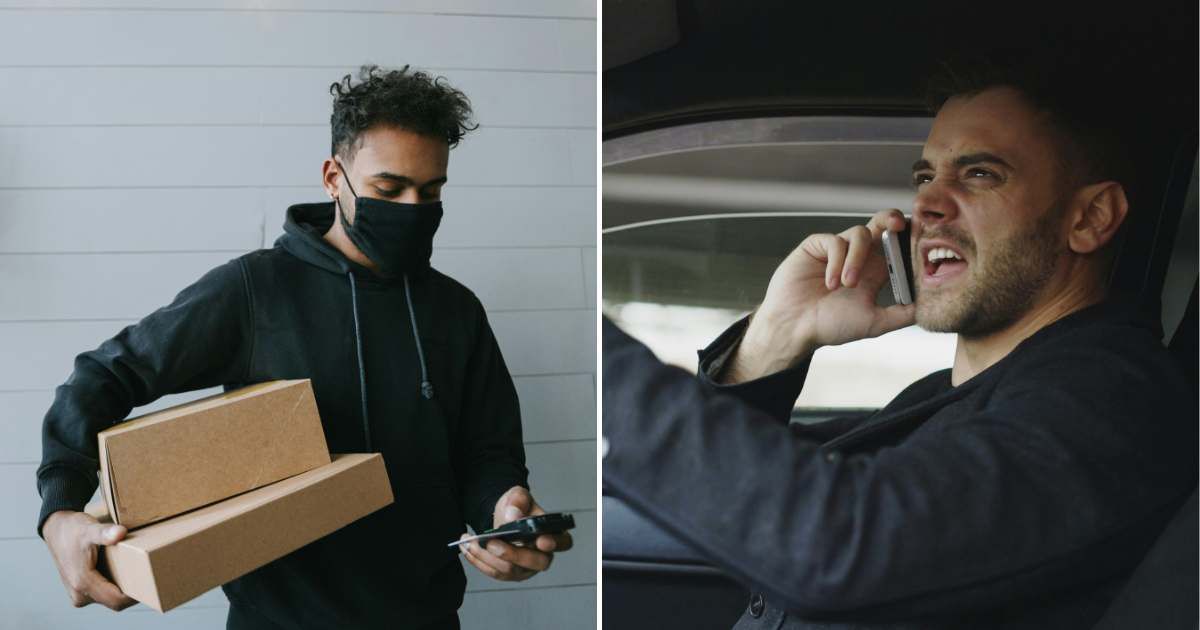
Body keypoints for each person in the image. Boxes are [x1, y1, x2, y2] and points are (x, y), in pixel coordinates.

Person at [602, 53, 1196, 628]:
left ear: (1089, 218)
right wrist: (779, 337)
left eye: (980, 174)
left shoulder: (1115, 403)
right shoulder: (942, 396)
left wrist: (599, 371)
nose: (926, 205)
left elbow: (838, 545)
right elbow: (755, 495)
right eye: (924, 176)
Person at [37, 64, 571, 629]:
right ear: (333, 177)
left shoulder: (457, 311)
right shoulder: (254, 291)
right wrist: (60, 513)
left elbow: (488, 453)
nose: (412, 210)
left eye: (431, 190)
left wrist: (504, 511)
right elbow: (102, 377)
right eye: (388, 189)